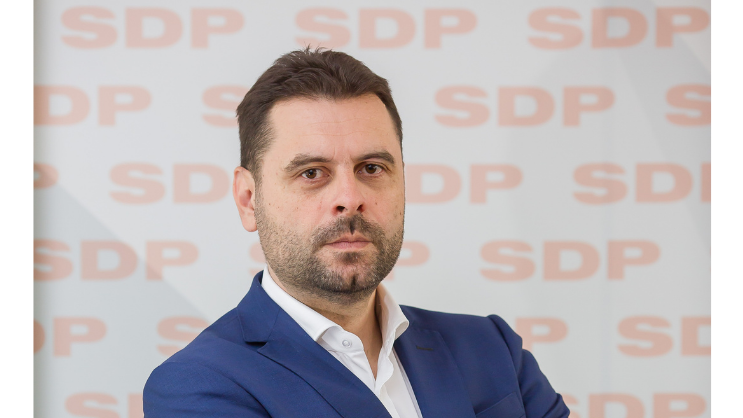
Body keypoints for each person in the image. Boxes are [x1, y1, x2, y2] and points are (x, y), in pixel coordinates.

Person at [143, 48, 569, 418]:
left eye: (372, 168)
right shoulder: (198, 385)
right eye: (312, 173)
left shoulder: (492, 350)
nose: (349, 198)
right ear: (248, 199)